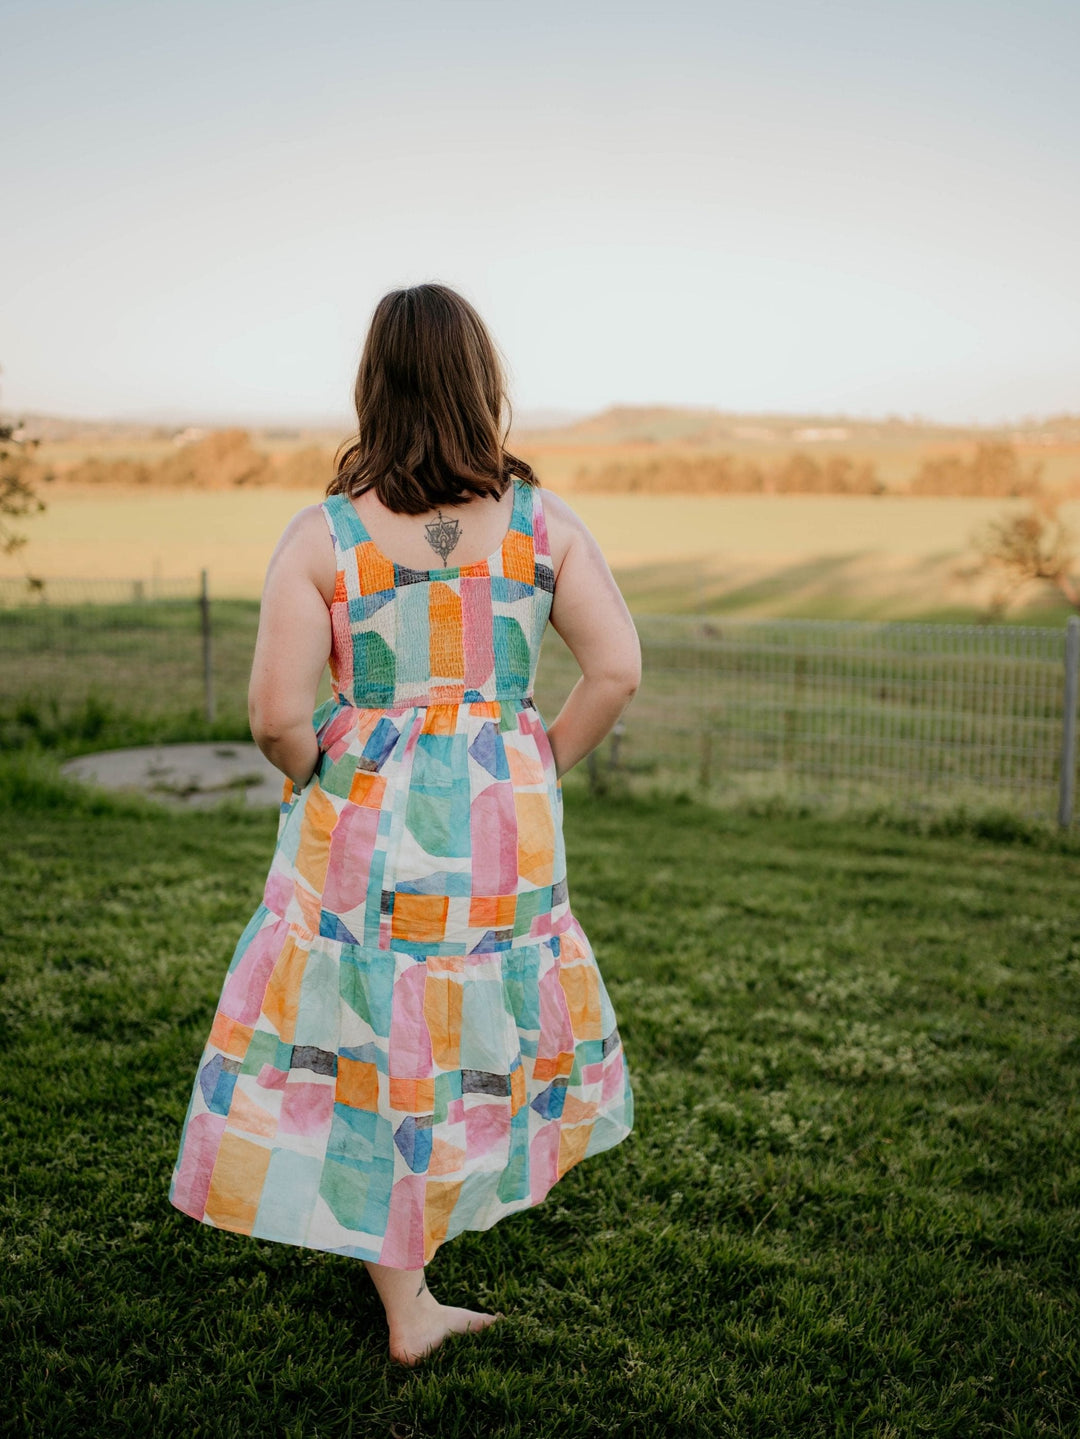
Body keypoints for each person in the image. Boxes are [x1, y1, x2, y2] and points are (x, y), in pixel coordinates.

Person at [168, 282, 640, 1366]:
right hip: (503, 826)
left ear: (372, 388)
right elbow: (617, 668)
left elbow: (277, 714)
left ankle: (408, 1295)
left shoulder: (326, 534)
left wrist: (317, 773)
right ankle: (419, 1284)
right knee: (470, 1026)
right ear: (484, 385)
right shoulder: (541, 524)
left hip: (365, 824)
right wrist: (533, 760)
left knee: (376, 1032)